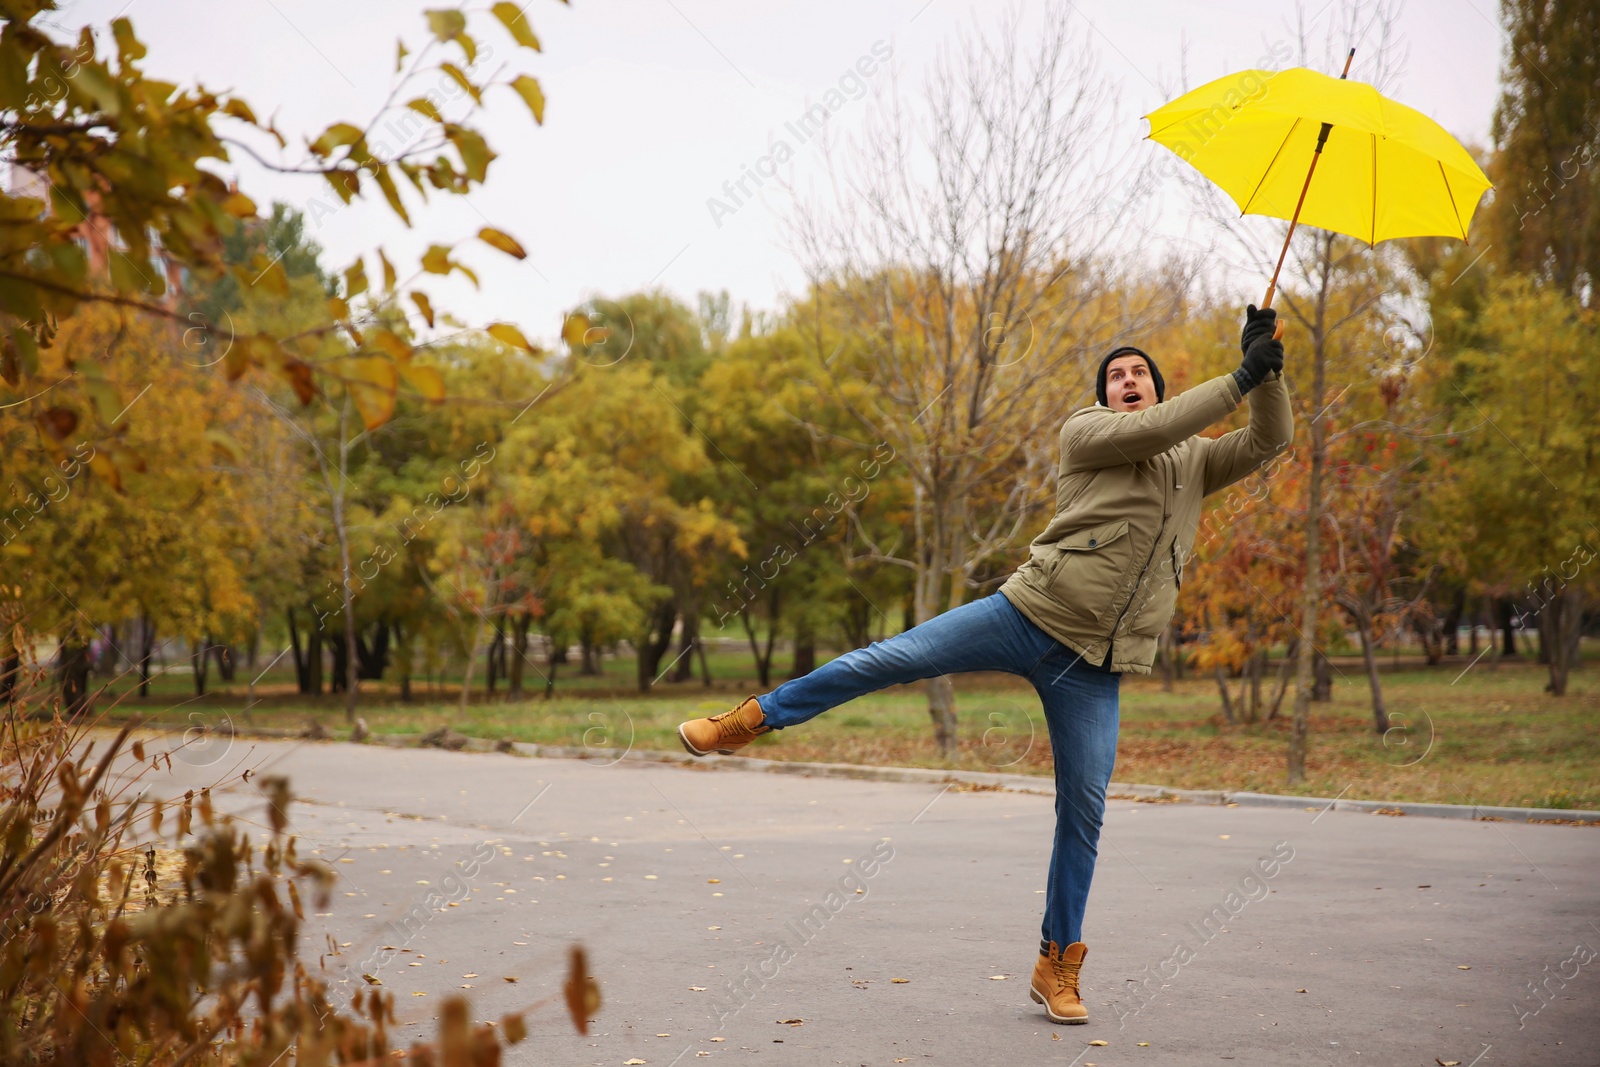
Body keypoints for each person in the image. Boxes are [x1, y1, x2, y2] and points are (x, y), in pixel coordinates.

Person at [676, 305, 1293, 1025]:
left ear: (1158, 386)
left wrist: (1267, 371)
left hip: (1094, 664)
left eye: (1140, 374)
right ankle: (751, 717)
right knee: (895, 656)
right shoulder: (1086, 431)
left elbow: (1269, 438)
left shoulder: (1195, 459)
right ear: (1106, 395)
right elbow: (1151, 431)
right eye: (1117, 375)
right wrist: (1237, 375)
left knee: (1085, 811)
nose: (1129, 381)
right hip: (1025, 613)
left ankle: (1056, 963)